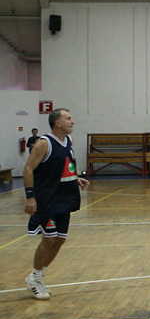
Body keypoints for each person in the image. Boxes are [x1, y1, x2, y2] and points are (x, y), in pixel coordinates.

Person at [23, 108, 90, 300]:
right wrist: (30, 197)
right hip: (46, 199)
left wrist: (75, 177)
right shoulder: (44, 143)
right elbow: (28, 169)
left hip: (64, 197)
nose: (72, 121)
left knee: (60, 239)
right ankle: (36, 278)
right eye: (68, 118)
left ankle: (38, 276)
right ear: (57, 123)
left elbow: (62, 165)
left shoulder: (68, 141)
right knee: (49, 239)